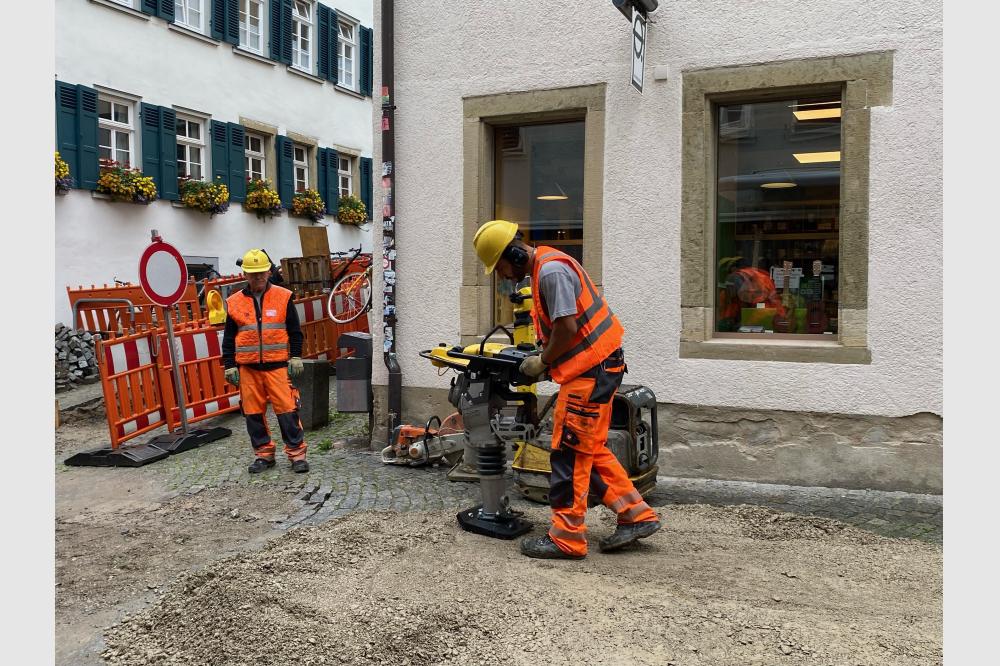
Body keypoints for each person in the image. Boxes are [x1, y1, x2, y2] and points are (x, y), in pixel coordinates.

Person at [472, 220, 661, 559]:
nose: (502, 277)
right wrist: (545, 358)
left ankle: (566, 537)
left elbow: (567, 328)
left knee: (569, 454)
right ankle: (636, 515)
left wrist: (542, 361)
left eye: (499, 267)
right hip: (597, 368)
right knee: (590, 448)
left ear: (513, 254)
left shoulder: (550, 272)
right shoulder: (547, 267)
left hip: (590, 372)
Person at [222, 249, 309, 474]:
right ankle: (263, 455)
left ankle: (297, 454)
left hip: (277, 366)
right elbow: (229, 338)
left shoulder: (283, 296)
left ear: (269, 272)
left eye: (261, 273)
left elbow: (294, 331)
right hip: (248, 368)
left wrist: (296, 356)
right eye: (253, 274)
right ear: (245, 275)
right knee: (252, 413)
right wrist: (230, 364)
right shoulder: (233, 302)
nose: (257, 278)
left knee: (288, 411)